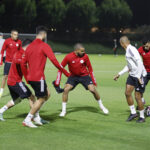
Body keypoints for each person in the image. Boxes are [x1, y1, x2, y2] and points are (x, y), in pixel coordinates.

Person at [22, 26, 70, 128]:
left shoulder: (29, 46)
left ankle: (37, 117)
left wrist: (27, 77)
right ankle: (28, 119)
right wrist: (65, 72)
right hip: (38, 78)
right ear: (44, 34)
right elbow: (54, 61)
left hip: (31, 78)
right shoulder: (44, 45)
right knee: (42, 99)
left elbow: (23, 63)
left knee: (47, 94)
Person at [53, 43, 109, 117]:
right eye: (82, 51)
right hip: (73, 77)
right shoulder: (68, 57)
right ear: (76, 51)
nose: (84, 52)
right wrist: (61, 79)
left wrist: (94, 80)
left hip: (84, 76)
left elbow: (90, 69)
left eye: (84, 51)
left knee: (92, 90)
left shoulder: (85, 56)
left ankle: (102, 106)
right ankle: (63, 111)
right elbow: (60, 68)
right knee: (66, 90)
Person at [0, 39, 45, 125]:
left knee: (17, 100)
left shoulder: (23, 54)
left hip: (13, 81)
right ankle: (34, 117)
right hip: (15, 81)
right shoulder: (19, 53)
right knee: (31, 97)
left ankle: (0, 111)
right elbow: (18, 61)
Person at [114, 36, 147, 123]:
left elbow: (139, 62)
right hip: (132, 75)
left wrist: (139, 76)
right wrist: (119, 74)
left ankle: (142, 117)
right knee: (127, 93)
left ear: (122, 44)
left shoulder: (131, 49)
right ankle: (133, 113)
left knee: (137, 97)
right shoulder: (128, 50)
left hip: (139, 75)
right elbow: (129, 65)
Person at [0, 30, 22, 98]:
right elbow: (2, 51)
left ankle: (17, 91)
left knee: (16, 78)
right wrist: (0, 61)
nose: (16, 36)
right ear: (11, 35)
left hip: (16, 63)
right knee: (5, 77)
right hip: (8, 62)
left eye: (17, 35)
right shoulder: (7, 41)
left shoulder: (19, 42)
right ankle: (1, 91)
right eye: (15, 34)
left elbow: (21, 51)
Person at [138, 40, 150, 105]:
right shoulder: (141, 49)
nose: (146, 48)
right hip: (145, 72)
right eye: (144, 46)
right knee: (141, 87)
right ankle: (141, 101)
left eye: (147, 46)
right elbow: (135, 57)